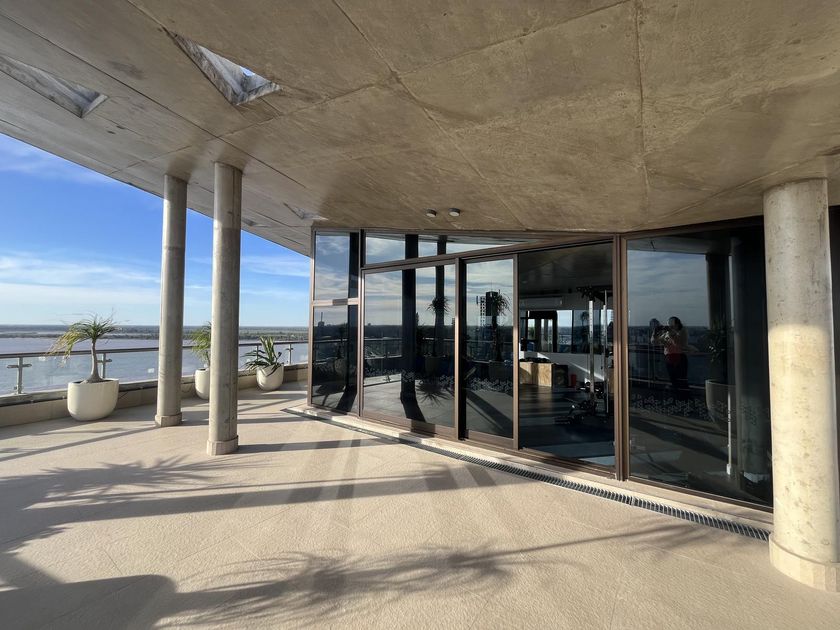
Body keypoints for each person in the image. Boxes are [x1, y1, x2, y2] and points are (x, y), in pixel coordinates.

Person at [651, 316, 689, 394]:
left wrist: (670, 331)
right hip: (669, 358)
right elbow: (655, 342)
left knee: (682, 381)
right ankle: (679, 397)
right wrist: (655, 333)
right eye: (669, 325)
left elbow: (678, 342)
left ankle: (684, 397)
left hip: (680, 358)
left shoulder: (682, 331)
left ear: (677, 325)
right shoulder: (667, 333)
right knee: (674, 381)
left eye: (671, 325)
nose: (669, 327)